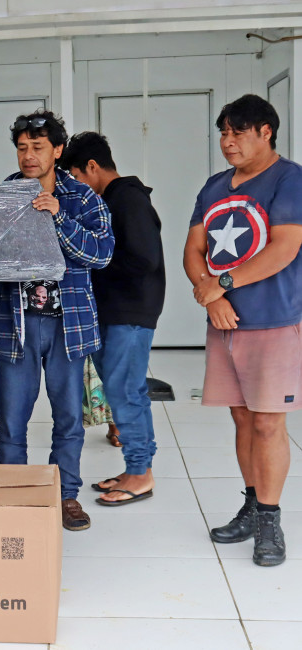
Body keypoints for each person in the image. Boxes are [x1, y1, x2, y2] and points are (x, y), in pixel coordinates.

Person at [183, 94, 302, 567]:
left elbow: (285, 247)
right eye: (223, 132)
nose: (227, 141)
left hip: (273, 319)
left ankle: (270, 520)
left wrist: (222, 284)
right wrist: (210, 295)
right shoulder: (215, 186)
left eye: (237, 132)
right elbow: (193, 248)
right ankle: (252, 505)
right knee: (241, 418)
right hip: (224, 320)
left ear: (265, 132)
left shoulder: (288, 178)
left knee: (269, 421)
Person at [0, 111, 113, 531]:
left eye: (38, 148)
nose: (28, 156)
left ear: (57, 151)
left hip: (68, 325)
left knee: (68, 419)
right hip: (17, 322)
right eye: (22, 147)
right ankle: (13, 496)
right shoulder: (2, 196)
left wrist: (59, 215)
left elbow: (102, 253)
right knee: (11, 418)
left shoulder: (81, 197)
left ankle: (66, 496)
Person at [60, 131, 166, 506]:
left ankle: (140, 474)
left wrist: (95, 263)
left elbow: (145, 259)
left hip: (130, 312)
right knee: (124, 392)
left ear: (92, 167)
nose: (72, 186)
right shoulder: (114, 199)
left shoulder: (127, 199)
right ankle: (136, 467)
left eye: (73, 176)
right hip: (116, 311)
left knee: (125, 392)